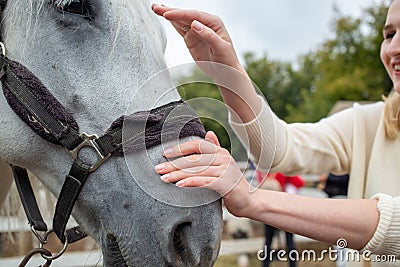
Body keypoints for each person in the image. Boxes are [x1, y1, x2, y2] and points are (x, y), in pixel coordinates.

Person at [152, 1, 400, 262]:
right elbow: (278, 149)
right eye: (389, 34)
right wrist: (226, 71)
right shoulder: (371, 122)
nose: (394, 48)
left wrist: (254, 201)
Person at [258, 171, 304, 267]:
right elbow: (299, 182)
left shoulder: (262, 170)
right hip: (284, 210)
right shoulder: (283, 169)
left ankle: (265, 264)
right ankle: (292, 264)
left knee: (268, 241)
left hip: (269, 210)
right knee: (289, 241)